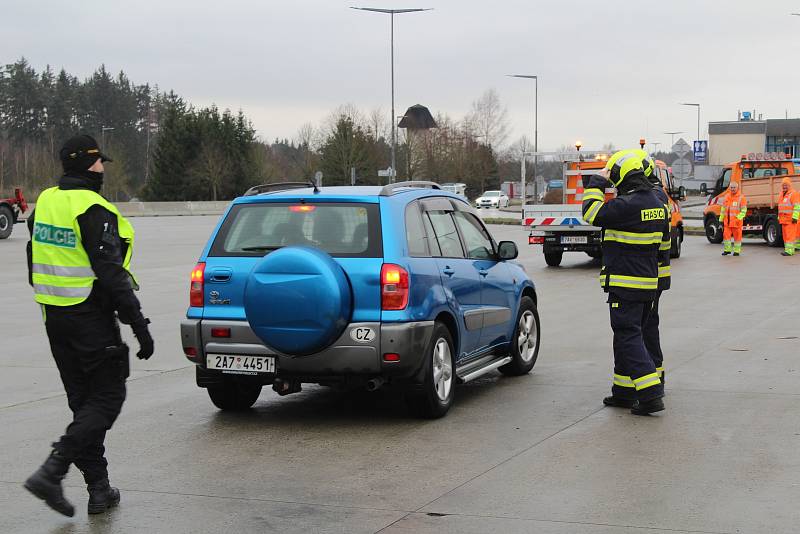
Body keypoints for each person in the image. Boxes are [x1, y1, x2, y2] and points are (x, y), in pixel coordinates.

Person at [23, 134, 154, 516]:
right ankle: (53, 469)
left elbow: (35, 254)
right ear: (86, 164)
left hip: (55, 317)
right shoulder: (93, 208)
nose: (102, 169)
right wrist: (138, 324)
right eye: (99, 163)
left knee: (84, 406)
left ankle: (99, 489)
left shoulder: (45, 201)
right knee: (108, 398)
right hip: (89, 319)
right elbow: (112, 275)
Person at [582, 149, 667, 415]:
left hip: (625, 283)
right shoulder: (657, 203)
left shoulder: (627, 206)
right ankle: (624, 392)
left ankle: (650, 393)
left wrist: (597, 182)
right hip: (647, 283)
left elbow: (591, 213)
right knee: (627, 336)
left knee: (628, 336)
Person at [637, 152, 671, 385]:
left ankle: (654, 374)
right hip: (654, 273)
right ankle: (654, 372)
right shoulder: (657, 193)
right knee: (647, 324)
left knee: (646, 325)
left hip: (651, 274)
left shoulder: (654, 196)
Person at [719, 181, 747, 256]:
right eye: (731, 187)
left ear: (737, 188)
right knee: (726, 237)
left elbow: (744, 211)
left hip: (736, 223)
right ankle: (727, 250)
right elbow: (723, 210)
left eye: (734, 187)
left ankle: (736, 251)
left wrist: (738, 219)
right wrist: (720, 220)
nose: (732, 189)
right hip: (727, 222)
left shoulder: (741, 198)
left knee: (737, 238)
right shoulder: (726, 197)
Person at [777, 177, 800, 256]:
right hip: (783, 219)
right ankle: (788, 249)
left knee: (790, 236)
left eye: (786, 185)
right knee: (785, 236)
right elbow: (780, 207)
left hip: (790, 219)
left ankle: (789, 251)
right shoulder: (781, 194)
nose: (784, 186)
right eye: (783, 185)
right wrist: (778, 217)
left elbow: (797, 207)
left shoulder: (793, 194)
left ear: (789, 185)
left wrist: (795, 217)